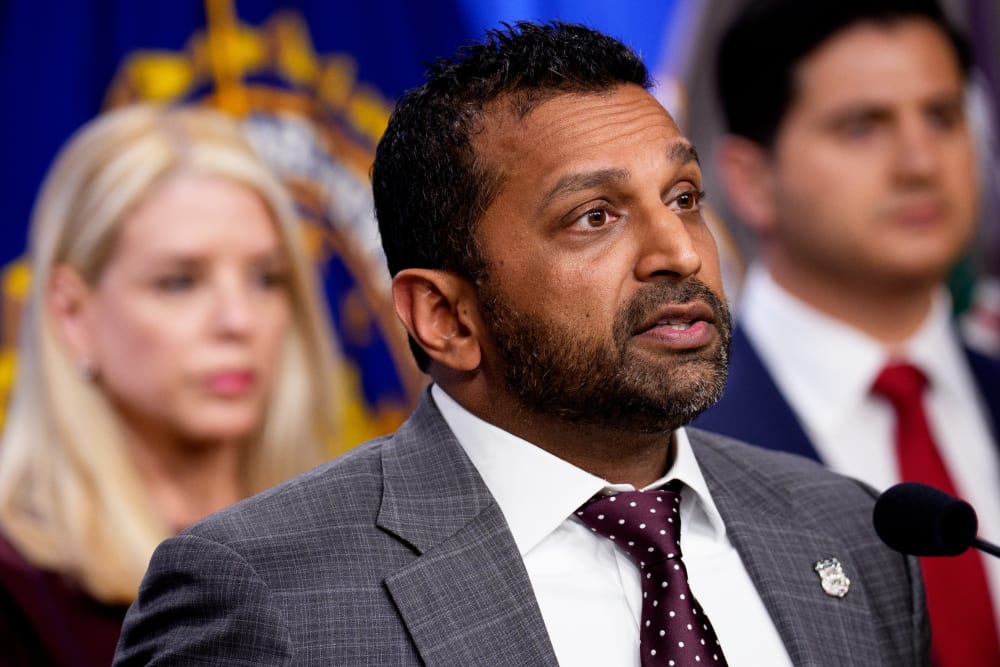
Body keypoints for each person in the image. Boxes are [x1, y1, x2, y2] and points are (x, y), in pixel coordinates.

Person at [114, 22, 927, 666]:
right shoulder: (266, 595)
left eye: (682, 196)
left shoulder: (853, 532)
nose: (679, 251)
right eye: (594, 217)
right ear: (445, 316)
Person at [690, 0, 1000, 664]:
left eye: (943, 116)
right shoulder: (669, 441)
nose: (921, 162)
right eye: (863, 126)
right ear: (749, 180)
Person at [0, 103, 339, 666]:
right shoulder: (17, 597)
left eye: (266, 278)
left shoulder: (352, 552)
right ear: (71, 316)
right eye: (180, 281)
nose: (238, 320)